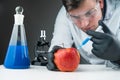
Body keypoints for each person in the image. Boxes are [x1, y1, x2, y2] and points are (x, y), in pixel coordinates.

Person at [46, 0, 120, 70]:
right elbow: (60, 42)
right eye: (76, 17)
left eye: (89, 13)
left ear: (100, 3)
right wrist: (56, 55)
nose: (85, 24)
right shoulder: (66, 13)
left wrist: (118, 56)